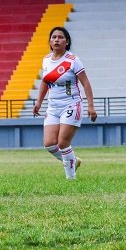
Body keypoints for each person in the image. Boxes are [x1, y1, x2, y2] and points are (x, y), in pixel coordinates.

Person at [32, 26, 97, 180]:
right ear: (49, 41)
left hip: (71, 104)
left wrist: (91, 106)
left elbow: (86, 83)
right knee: (49, 144)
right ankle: (72, 160)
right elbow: (45, 82)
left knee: (63, 142)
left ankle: (71, 178)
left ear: (66, 42)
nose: (56, 40)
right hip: (53, 106)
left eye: (60, 37)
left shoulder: (73, 61)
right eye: (54, 37)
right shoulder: (46, 60)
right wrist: (39, 102)